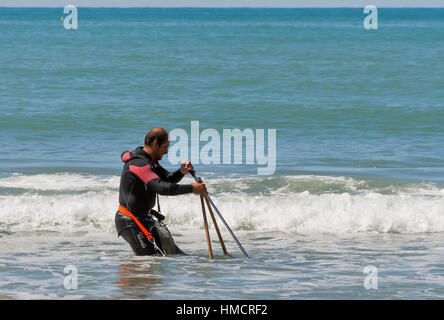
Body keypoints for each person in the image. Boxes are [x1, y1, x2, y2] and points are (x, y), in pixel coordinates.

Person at [115, 128, 207, 256]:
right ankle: (133, 275)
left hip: (145, 219)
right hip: (130, 221)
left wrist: (181, 172)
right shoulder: (139, 164)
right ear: (155, 144)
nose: (166, 151)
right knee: (150, 260)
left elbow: (167, 178)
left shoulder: (150, 162)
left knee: (164, 256)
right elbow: (161, 188)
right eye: (165, 147)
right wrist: (193, 188)